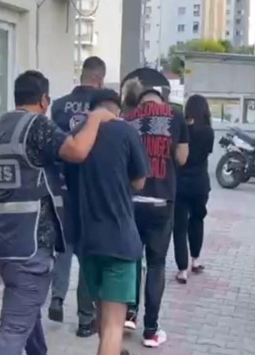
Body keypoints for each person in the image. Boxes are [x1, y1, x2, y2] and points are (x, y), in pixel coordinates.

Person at [0, 70, 116, 355]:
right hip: (29, 243)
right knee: (14, 328)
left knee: (26, 309)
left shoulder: (2, 125)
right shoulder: (36, 125)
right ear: (44, 100)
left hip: (0, 240)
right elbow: (77, 151)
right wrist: (96, 118)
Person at [75, 89, 148, 355]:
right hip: (120, 241)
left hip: (88, 242)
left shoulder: (78, 136)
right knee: (115, 325)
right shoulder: (126, 132)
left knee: (103, 319)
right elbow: (140, 181)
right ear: (116, 111)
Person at [120, 70, 188, 348]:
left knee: (132, 258)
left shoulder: (128, 119)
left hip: (131, 201)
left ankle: (129, 314)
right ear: (162, 98)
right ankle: (151, 330)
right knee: (157, 264)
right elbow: (182, 158)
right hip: (161, 201)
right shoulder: (175, 116)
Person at [48, 56, 106, 337]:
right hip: (92, 189)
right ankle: (85, 319)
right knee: (87, 252)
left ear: (82, 75)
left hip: (62, 185)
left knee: (64, 243)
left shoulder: (59, 105)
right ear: (100, 80)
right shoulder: (102, 108)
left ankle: (57, 296)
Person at [173, 94, 215, 284]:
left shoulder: (182, 129)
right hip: (200, 184)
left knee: (179, 227)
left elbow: (178, 156)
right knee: (197, 220)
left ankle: (182, 269)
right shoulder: (208, 132)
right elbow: (205, 155)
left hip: (180, 183)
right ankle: (195, 260)